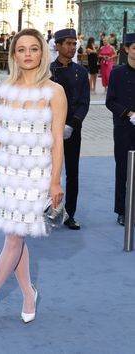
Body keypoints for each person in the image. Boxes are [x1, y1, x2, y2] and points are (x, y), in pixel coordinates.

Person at [0, 28, 67, 326]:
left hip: (37, 174)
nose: (28, 54)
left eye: (34, 49)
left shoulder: (54, 91)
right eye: (22, 49)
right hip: (9, 173)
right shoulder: (6, 89)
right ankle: (28, 293)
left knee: (13, 238)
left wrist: (54, 180)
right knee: (16, 235)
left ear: (43, 53)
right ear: (13, 54)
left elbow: (57, 140)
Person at [50, 28, 90, 230]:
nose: (72, 47)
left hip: (72, 130)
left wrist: (72, 124)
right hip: (50, 130)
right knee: (48, 172)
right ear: (57, 46)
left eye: (74, 44)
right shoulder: (47, 71)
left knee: (72, 173)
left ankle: (70, 214)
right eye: (67, 43)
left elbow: (84, 102)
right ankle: (48, 211)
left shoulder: (81, 72)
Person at [106, 33, 135, 226]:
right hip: (124, 127)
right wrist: (129, 114)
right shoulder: (117, 73)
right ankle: (122, 210)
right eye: (134, 48)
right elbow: (110, 101)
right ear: (127, 49)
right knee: (123, 169)